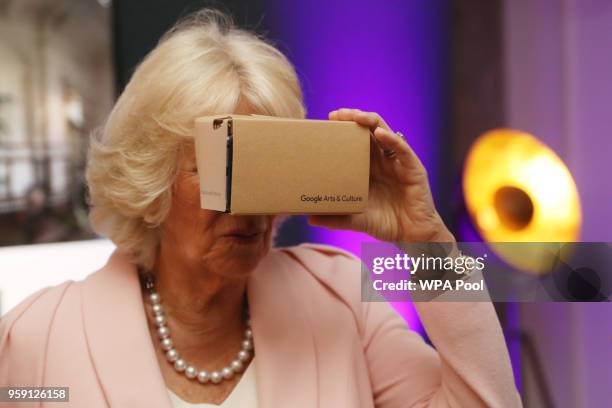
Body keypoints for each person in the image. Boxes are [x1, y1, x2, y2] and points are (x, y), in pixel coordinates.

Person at [0, 9, 521, 408]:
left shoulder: (340, 300)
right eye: (223, 166)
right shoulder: (38, 337)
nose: (248, 203)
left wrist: (427, 243)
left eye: (265, 163)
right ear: (151, 180)